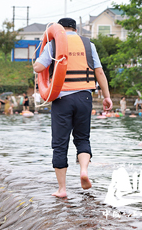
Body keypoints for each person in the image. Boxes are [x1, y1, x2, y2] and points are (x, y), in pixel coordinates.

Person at [33, 17, 112, 198]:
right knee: (82, 138)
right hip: (84, 97)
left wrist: (37, 60)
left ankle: (62, 189)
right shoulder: (88, 45)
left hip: (62, 99)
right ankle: (83, 170)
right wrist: (107, 96)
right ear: (76, 29)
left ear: (58, 29)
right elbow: (99, 71)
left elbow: (39, 67)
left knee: (60, 144)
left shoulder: (52, 45)